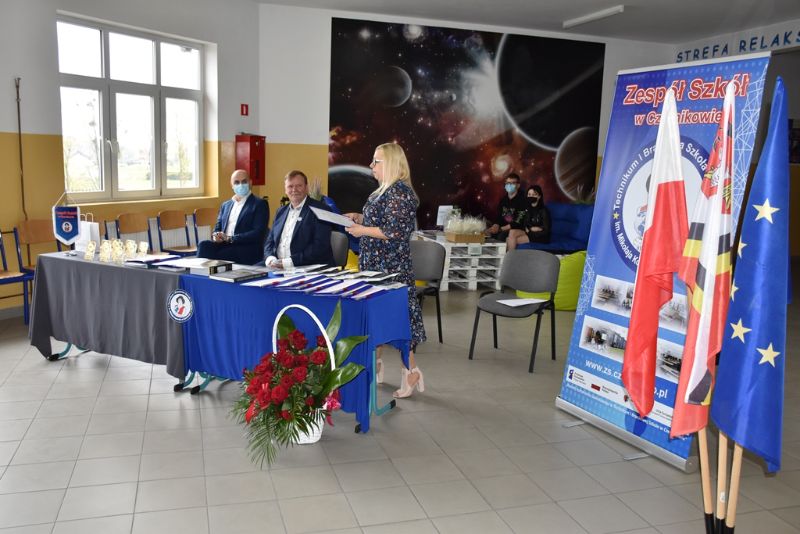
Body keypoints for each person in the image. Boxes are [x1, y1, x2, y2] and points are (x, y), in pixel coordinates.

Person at [344, 143, 426, 398]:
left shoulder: (401, 192)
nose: (371, 166)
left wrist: (362, 230)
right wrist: (359, 218)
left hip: (391, 270)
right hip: (375, 268)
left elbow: (394, 231)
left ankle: (411, 372)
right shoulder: (382, 191)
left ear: (390, 163)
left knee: (399, 323)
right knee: (376, 319)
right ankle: (376, 364)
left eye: (376, 161)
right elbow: (380, 221)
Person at [263, 170, 334, 269]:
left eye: (299, 186)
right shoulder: (280, 211)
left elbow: (320, 247)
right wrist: (270, 258)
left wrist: (288, 262)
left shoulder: (321, 210)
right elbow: (269, 241)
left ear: (306, 188)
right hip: (277, 266)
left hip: (308, 267)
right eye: (290, 186)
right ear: (285, 190)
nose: (294, 190)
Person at [197, 169, 268, 265]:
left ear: (250, 183)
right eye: (237, 182)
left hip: (245, 248)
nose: (241, 185)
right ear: (232, 185)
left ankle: (213, 271)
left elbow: (258, 233)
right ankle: (200, 273)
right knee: (203, 245)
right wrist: (215, 236)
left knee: (222, 255)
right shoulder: (225, 205)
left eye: (244, 181)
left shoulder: (259, 204)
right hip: (224, 245)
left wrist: (230, 238)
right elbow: (217, 228)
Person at [485, 173, 528, 242]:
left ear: (518, 185)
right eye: (508, 183)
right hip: (502, 228)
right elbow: (499, 216)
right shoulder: (503, 200)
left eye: (512, 183)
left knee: (501, 236)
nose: (509, 185)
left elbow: (519, 221)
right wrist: (496, 225)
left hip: (516, 229)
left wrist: (500, 229)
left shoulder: (523, 200)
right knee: (487, 232)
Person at [507, 185, 551, 250]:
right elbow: (526, 224)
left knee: (511, 240)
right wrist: (531, 229)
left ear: (539, 196)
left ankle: (510, 256)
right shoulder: (527, 208)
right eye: (529, 194)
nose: (531, 196)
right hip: (529, 232)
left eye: (534, 194)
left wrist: (536, 229)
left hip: (540, 236)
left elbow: (546, 230)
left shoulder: (544, 210)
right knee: (512, 232)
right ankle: (510, 255)